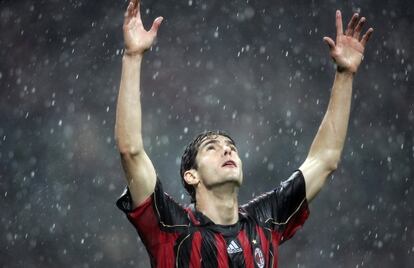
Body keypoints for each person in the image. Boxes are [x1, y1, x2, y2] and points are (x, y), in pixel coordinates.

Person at [114, 0, 373, 267]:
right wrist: (132, 57)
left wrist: (345, 75)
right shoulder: (171, 226)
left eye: (231, 147)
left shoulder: (265, 218)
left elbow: (325, 159)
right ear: (191, 176)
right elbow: (130, 151)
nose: (227, 150)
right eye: (211, 147)